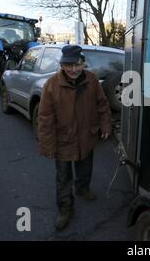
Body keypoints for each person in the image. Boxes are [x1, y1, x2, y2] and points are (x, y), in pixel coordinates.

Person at [38, 45, 111, 231]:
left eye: (77, 65)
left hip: (87, 136)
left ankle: (82, 188)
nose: (73, 69)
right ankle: (65, 208)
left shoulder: (92, 80)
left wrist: (105, 125)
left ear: (83, 64)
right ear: (62, 65)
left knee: (86, 166)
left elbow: (102, 104)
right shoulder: (52, 85)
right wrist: (47, 145)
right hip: (64, 140)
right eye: (68, 65)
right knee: (63, 177)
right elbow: (45, 118)